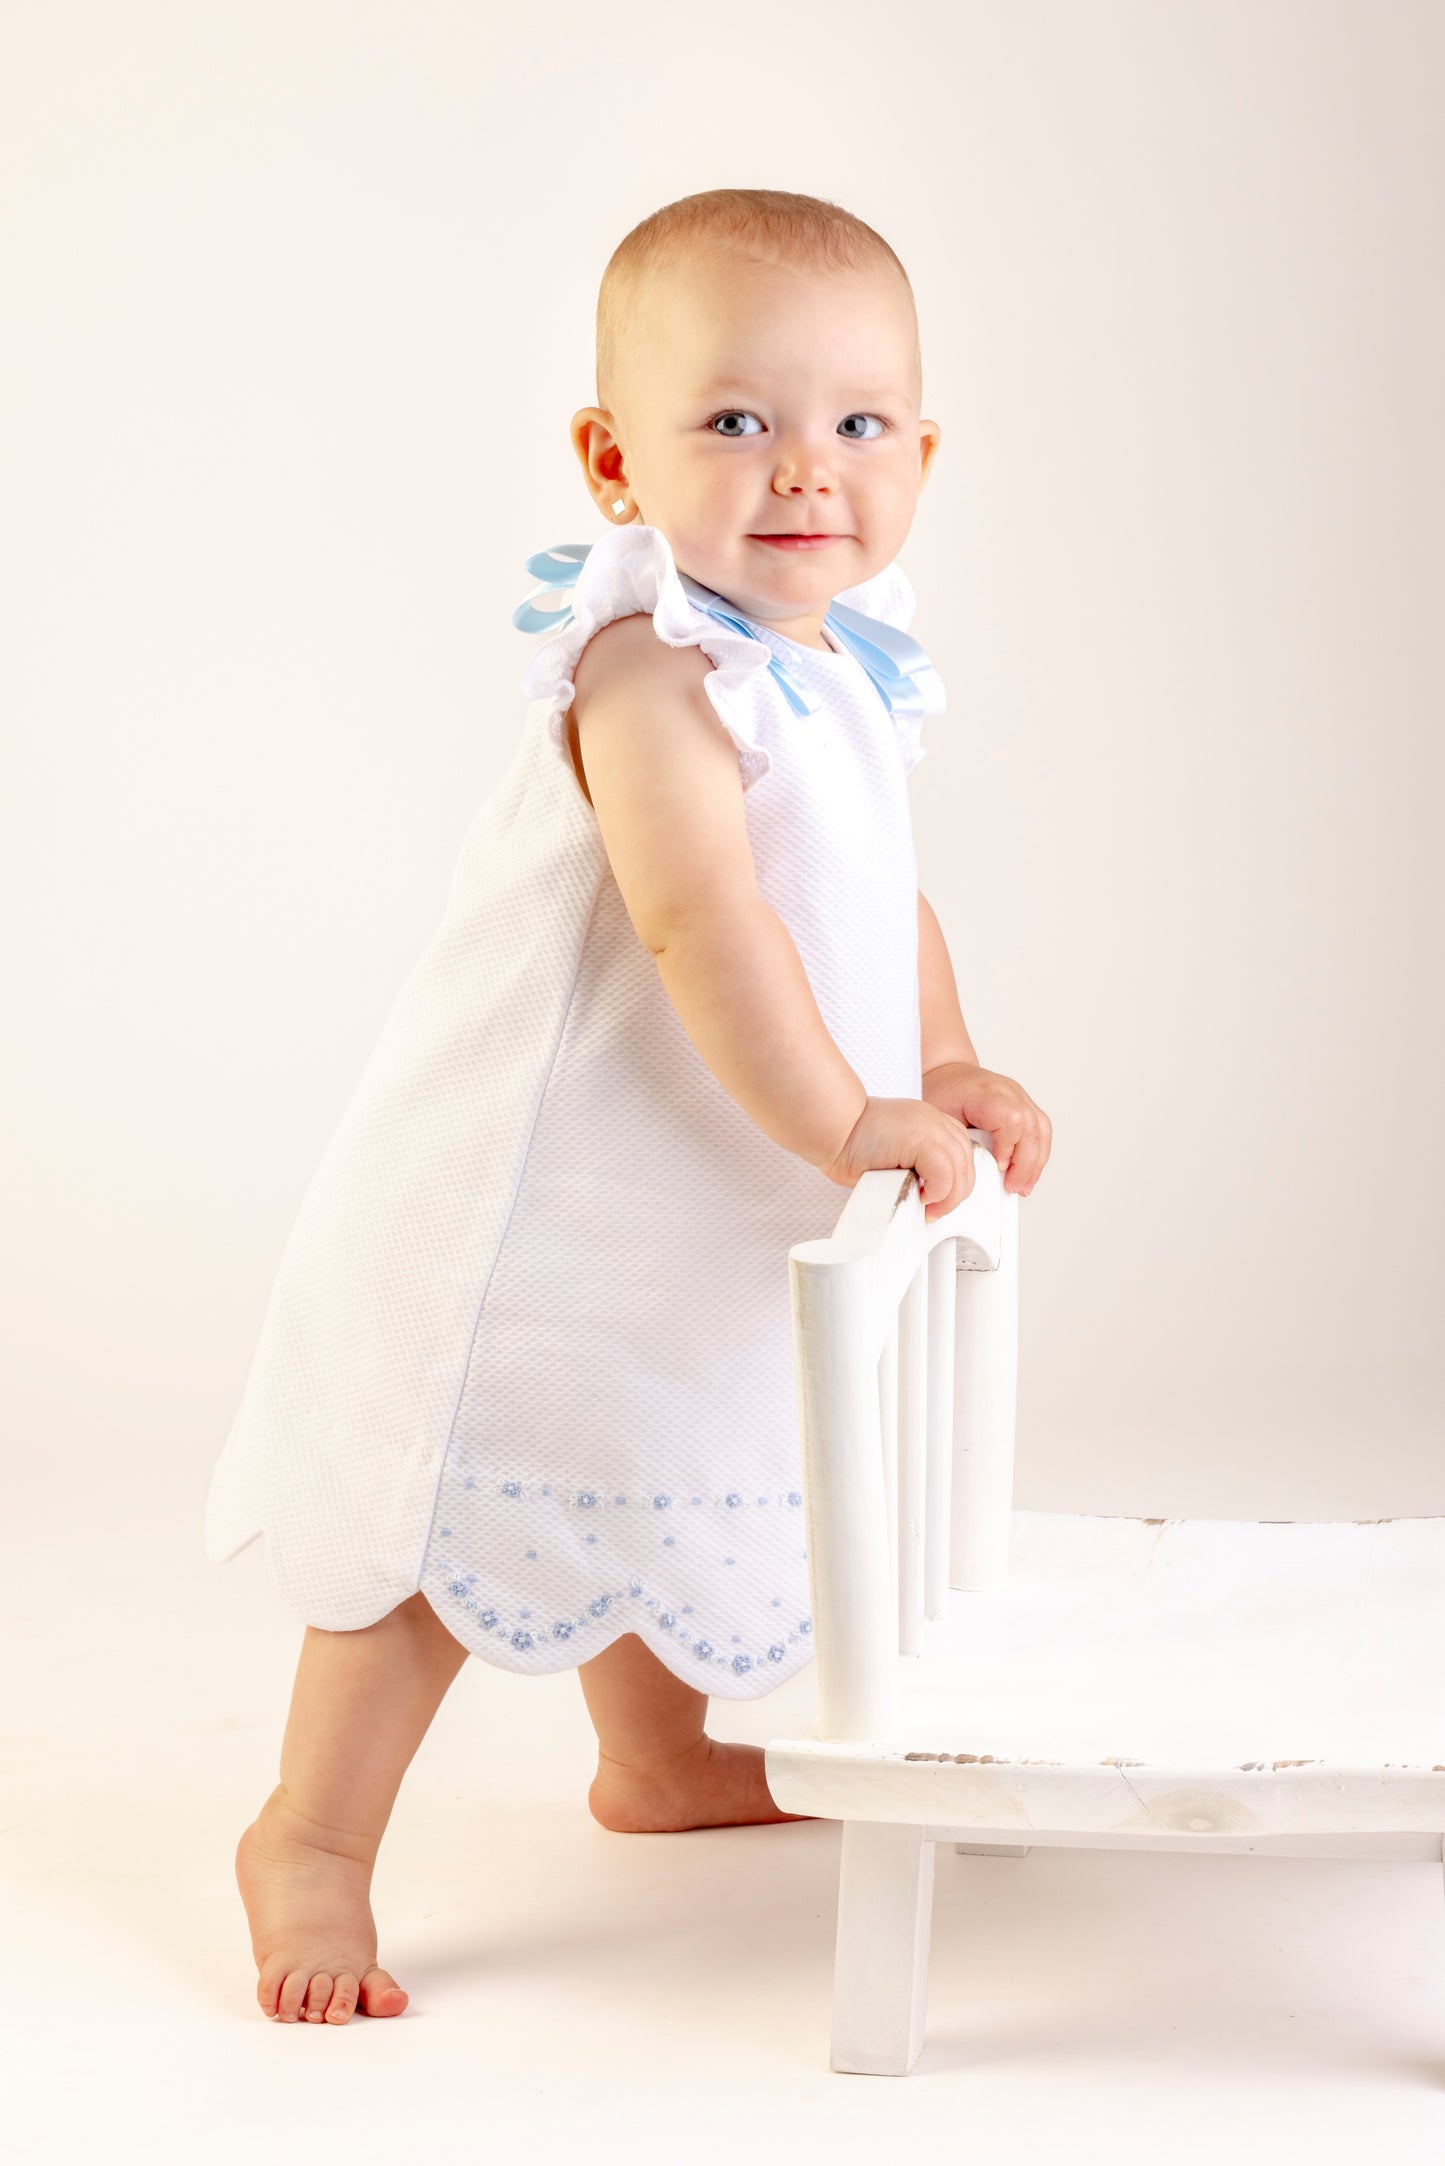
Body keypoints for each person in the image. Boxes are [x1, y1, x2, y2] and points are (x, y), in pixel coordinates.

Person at [209, 186, 1052, 2026]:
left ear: (920, 451)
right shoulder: (648, 668)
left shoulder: (840, 663)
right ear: (613, 459)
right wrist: (843, 1122)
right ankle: (312, 1836)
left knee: (659, 1447)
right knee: (456, 1509)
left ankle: (659, 1763)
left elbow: (878, 890)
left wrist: (944, 1064)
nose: (802, 468)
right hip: (536, 1202)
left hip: (691, 1182)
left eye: (855, 424)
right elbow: (698, 917)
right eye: (735, 421)